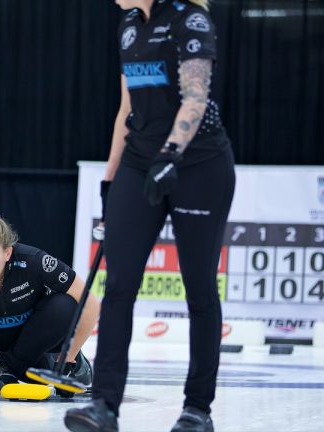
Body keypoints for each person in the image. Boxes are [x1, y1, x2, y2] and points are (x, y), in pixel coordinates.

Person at [63, 1, 235, 431]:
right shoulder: (127, 25)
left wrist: (171, 154)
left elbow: (196, 97)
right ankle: (103, 405)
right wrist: (109, 178)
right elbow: (127, 110)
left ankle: (197, 409)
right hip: (140, 162)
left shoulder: (190, 19)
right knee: (119, 285)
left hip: (198, 163)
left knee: (198, 287)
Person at [0, 204, 100, 397]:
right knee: (34, 375)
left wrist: (69, 356)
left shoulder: (33, 260)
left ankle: (62, 365)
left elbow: (90, 303)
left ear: (7, 253)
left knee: (65, 304)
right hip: (6, 345)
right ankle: (15, 368)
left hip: (41, 340)